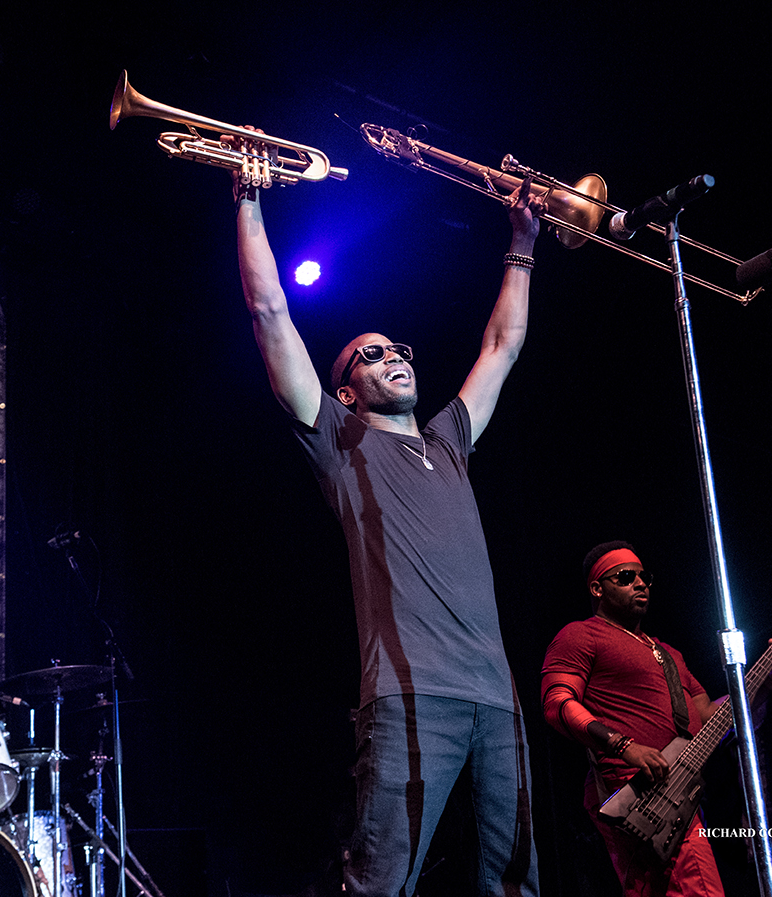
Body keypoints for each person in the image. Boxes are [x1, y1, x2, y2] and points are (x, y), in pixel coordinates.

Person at [233, 140, 544, 895]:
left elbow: (503, 344)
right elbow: (271, 310)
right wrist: (248, 199)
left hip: (496, 698)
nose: (389, 356)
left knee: (515, 881)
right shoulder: (340, 442)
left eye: (394, 348)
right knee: (380, 882)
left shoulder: (450, 439)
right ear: (346, 390)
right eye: (368, 356)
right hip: (410, 694)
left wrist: (523, 244)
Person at [541, 541, 772, 897]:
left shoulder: (668, 653)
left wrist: (768, 678)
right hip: (631, 787)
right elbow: (558, 702)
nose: (640, 583)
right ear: (597, 588)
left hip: (678, 792)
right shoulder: (580, 635)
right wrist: (624, 746)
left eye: (644, 576)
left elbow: (709, 718)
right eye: (625, 577)